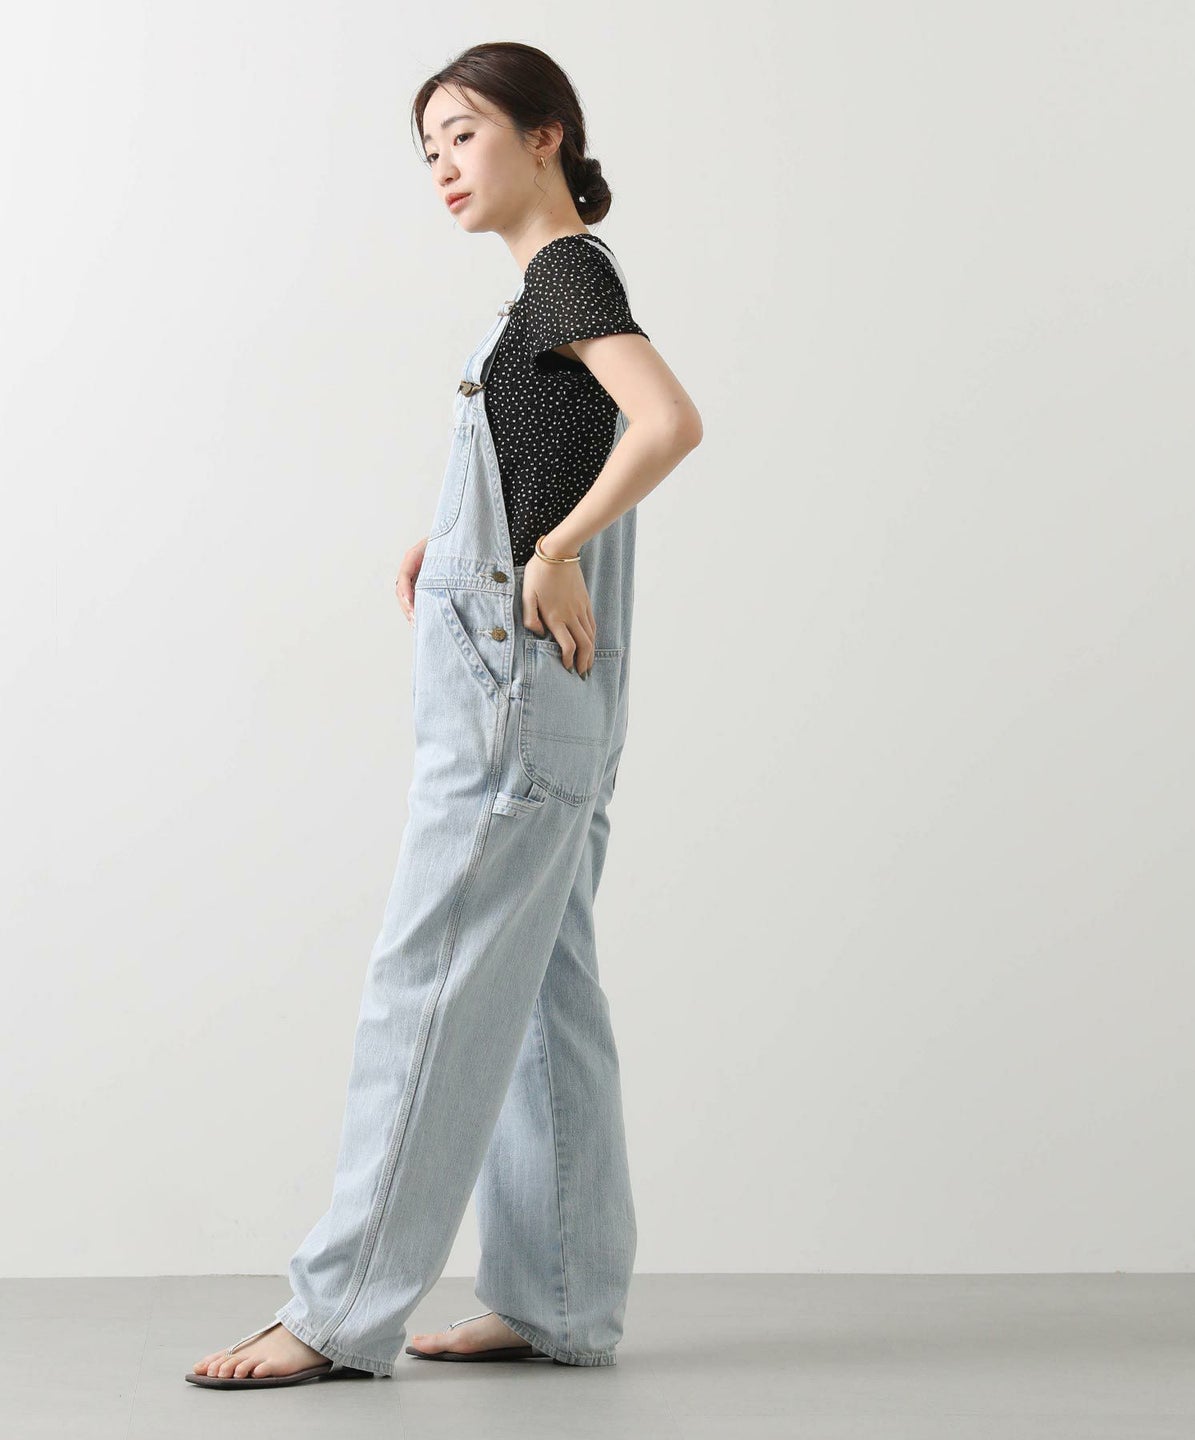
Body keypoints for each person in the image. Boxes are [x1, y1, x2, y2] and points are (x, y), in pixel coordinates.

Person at [187, 40, 703, 1390]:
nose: (442, 168)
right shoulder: (544, 293)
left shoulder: (568, 277)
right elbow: (567, 442)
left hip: (510, 704)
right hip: (551, 706)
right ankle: (559, 1301)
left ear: (546, 135)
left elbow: (666, 420)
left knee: (429, 985)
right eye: (427, 150)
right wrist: (462, 531)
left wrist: (551, 549)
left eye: (463, 135)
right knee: (541, 992)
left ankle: (337, 1310)